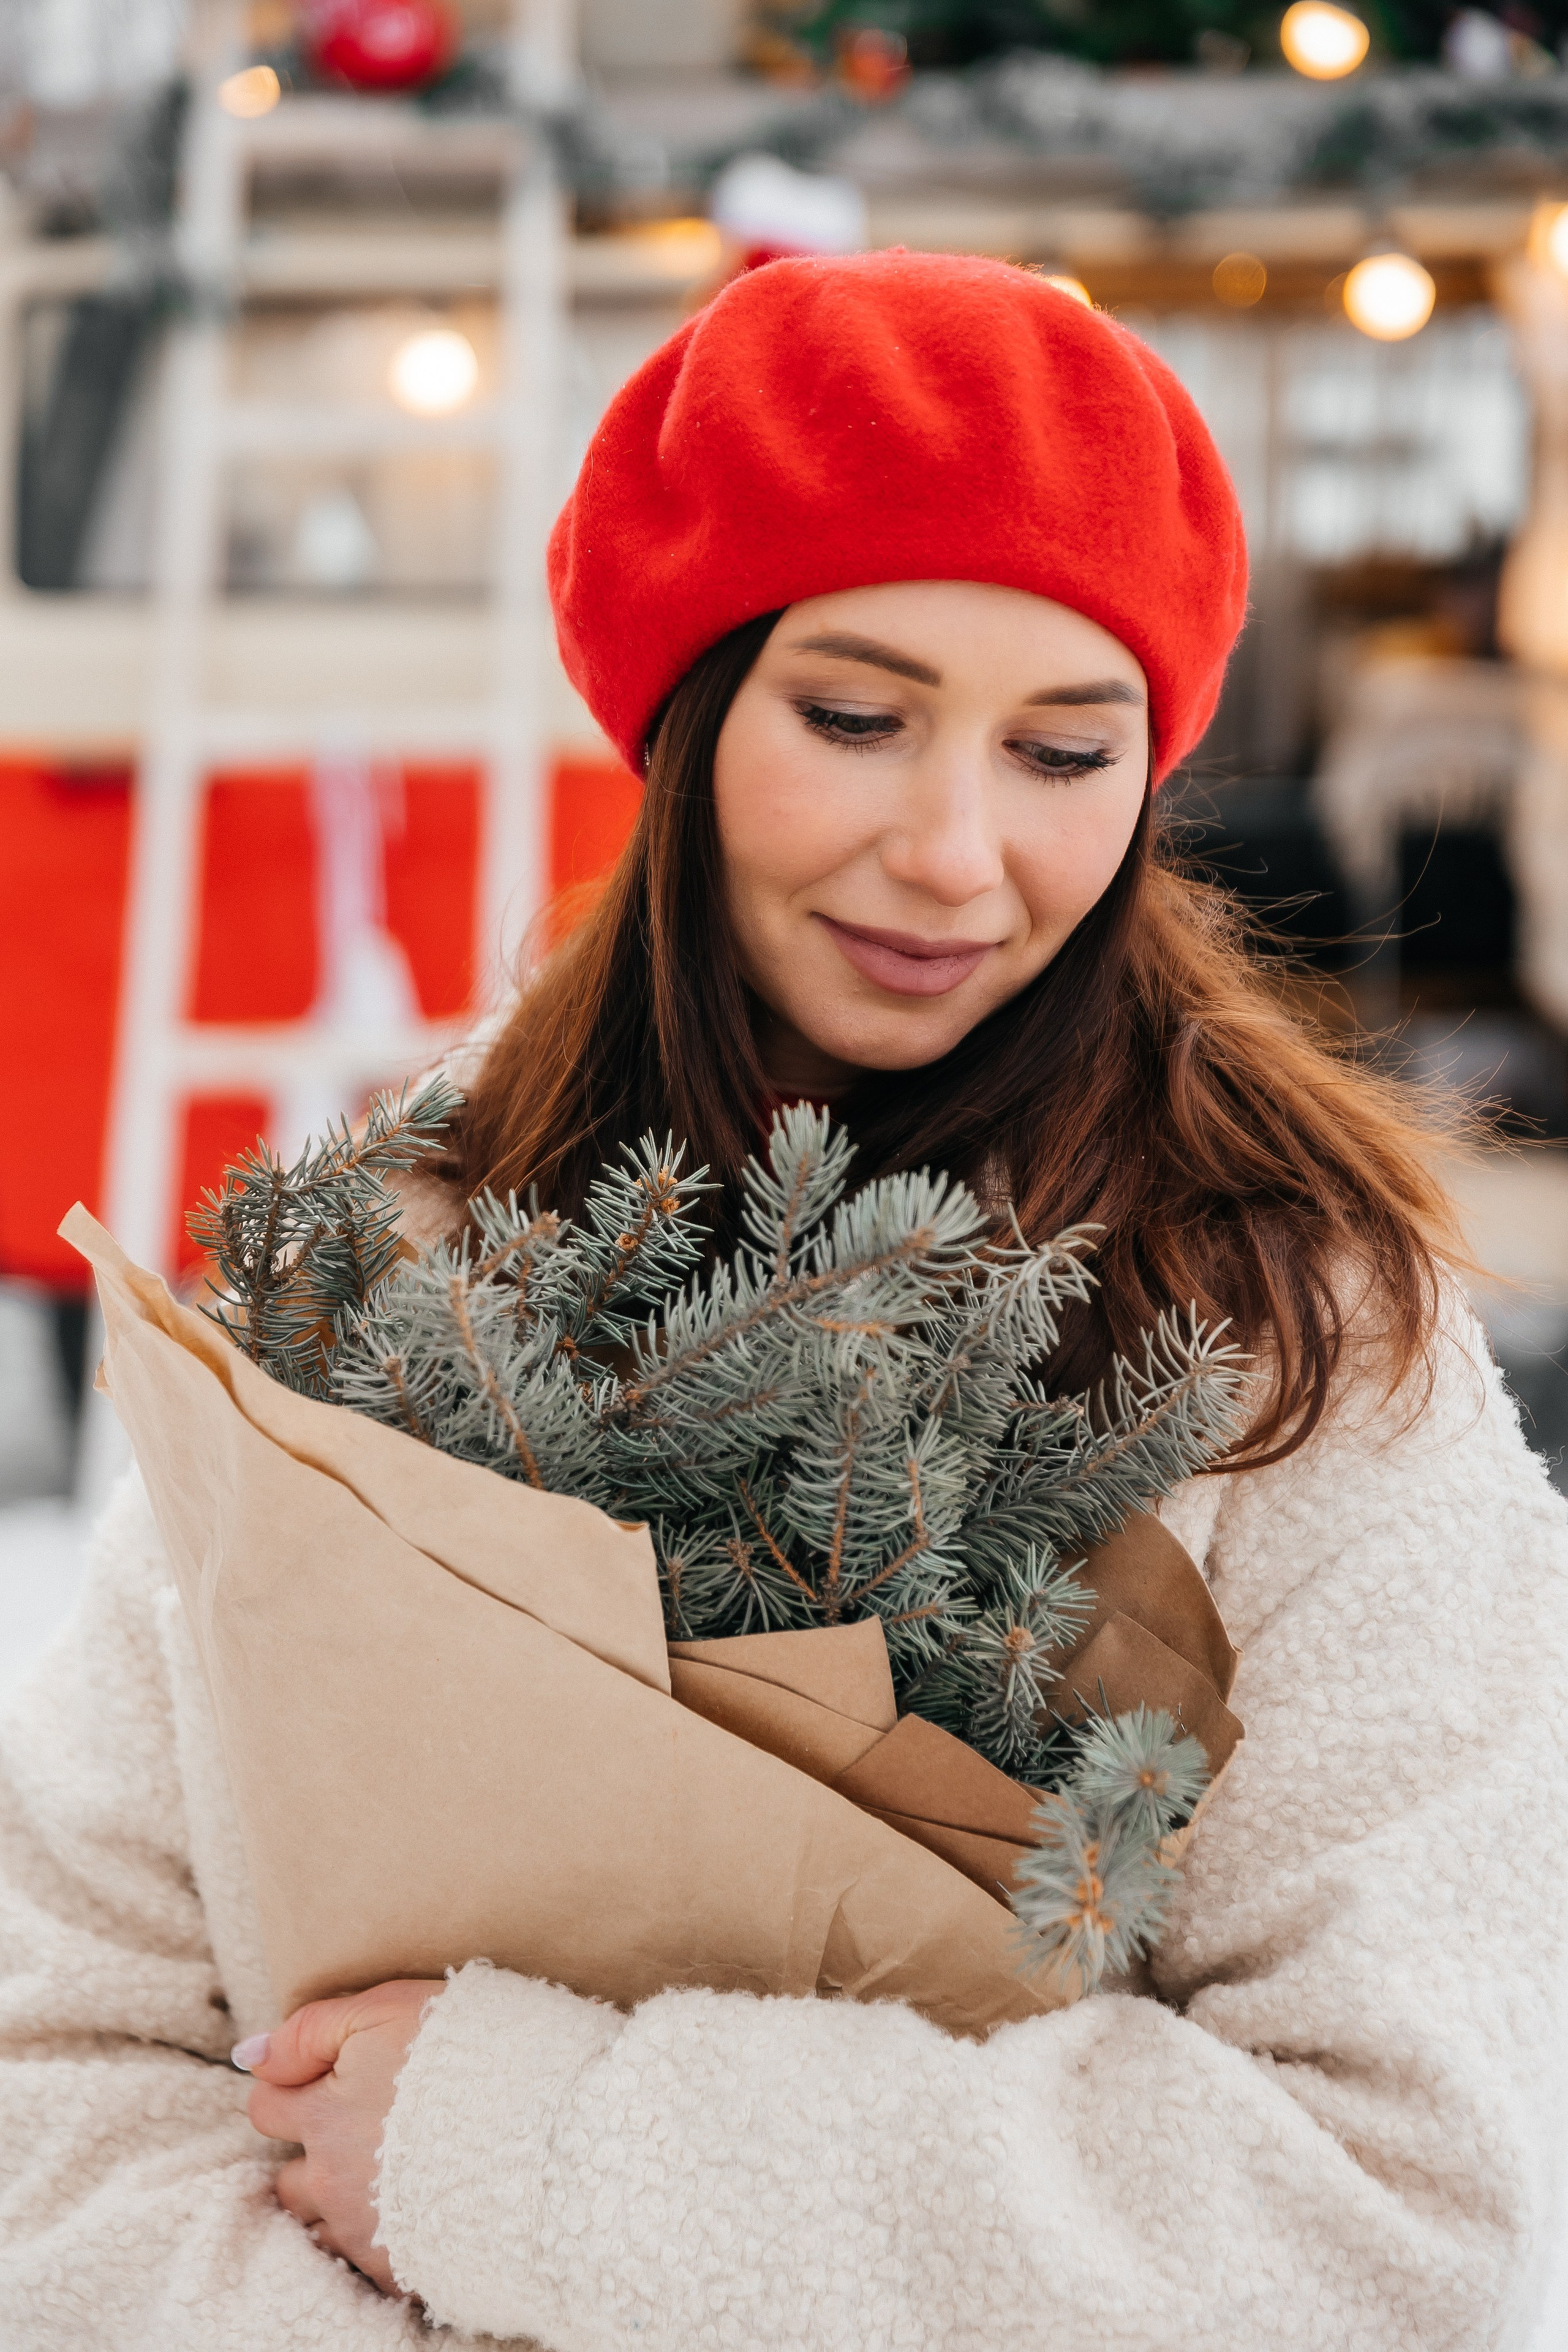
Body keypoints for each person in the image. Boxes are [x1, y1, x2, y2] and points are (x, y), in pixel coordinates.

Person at [3, 250, 1566, 2352]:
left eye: (1062, 751)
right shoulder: (399, 1262)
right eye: (855, 717)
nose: (953, 849)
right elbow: (63, 2047)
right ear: (685, 714)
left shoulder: (1298, 1335)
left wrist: (532, 2157)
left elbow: (1391, 2200)